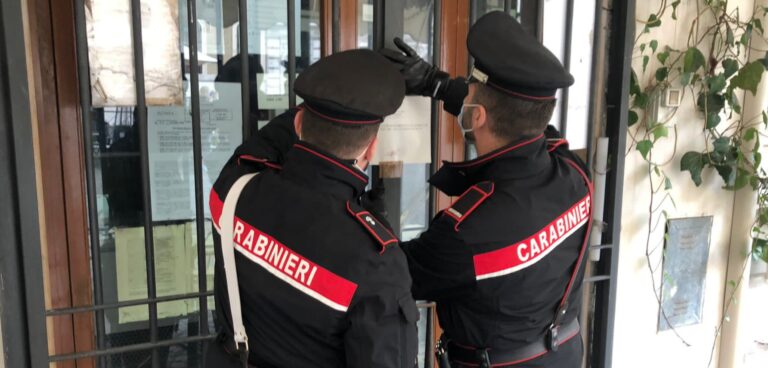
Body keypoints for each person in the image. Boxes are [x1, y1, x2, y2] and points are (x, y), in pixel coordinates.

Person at [379, 11, 592, 368]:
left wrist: (369, 216)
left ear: (476, 116)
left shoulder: (467, 233)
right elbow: (526, 118)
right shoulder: (575, 174)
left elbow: (392, 276)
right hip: (563, 353)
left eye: (470, 92)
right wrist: (436, 83)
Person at [205, 49, 419, 368]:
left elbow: (261, 145)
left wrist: (324, 98)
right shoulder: (374, 263)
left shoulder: (231, 191)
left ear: (299, 121)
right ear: (372, 148)